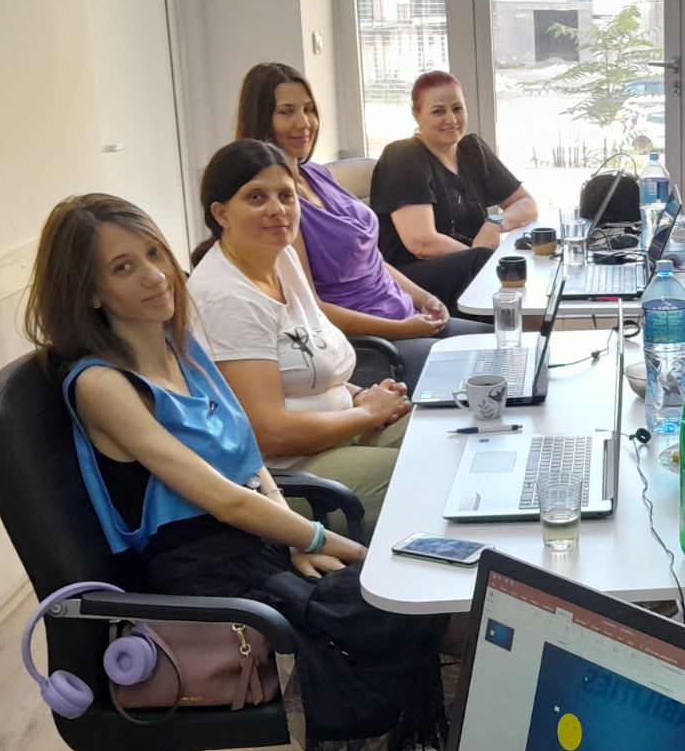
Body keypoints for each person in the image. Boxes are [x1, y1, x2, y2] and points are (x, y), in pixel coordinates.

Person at [24, 193, 448, 751]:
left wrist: (297, 539)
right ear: (90, 293)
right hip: (204, 578)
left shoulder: (181, 346)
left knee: (417, 594)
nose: (154, 276)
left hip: (255, 546)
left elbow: (248, 462)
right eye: (124, 268)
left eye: (155, 254)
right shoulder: (102, 386)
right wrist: (329, 539)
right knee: (400, 599)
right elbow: (221, 498)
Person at [187, 139, 411, 532]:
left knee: (452, 434)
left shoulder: (282, 258)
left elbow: (311, 360)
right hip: (288, 475)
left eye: (286, 195)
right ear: (221, 213)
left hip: (340, 432)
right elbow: (269, 435)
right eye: (256, 197)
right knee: (430, 473)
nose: (277, 209)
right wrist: (365, 415)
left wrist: (363, 395)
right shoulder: (225, 297)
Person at [233, 62, 490, 379]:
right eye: (286, 112)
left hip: (405, 316)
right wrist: (403, 329)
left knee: (506, 347)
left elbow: (372, 260)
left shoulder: (318, 175)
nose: (304, 122)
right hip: (371, 344)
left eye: (309, 109)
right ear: (261, 119)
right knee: (477, 368)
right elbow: (312, 308)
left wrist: (424, 298)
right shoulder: (278, 209)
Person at [371, 70, 538, 312]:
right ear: (417, 115)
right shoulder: (403, 155)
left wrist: (495, 223)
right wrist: (483, 257)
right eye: (438, 111)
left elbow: (527, 204)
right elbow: (422, 244)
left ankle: (534, 333)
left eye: (457, 108)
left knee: (522, 263)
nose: (451, 119)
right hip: (409, 280)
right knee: (501, 270)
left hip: (470, 266)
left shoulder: (472, 150)